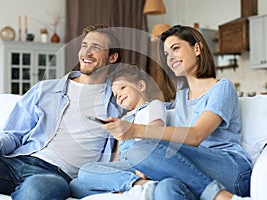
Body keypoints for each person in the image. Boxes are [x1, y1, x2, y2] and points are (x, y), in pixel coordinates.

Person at [0, 24, 123, 200]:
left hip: (55, 176)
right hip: (13, 162)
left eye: (96, 47)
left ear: (112, 57)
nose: (86, 52)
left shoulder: (118, 101)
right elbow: (13, 135)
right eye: (84, 45)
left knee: (37, 191)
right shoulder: (45, 89)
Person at [101, 25, 252, 200]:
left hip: (230, 169)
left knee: (140, 149)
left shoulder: (221, 87)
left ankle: (220, 196)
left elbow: (196, 136)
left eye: (175, 48)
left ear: (197, 48)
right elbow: (150, 105)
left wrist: (135, 130)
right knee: (166, 188)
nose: (170, 57)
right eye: (166, 54)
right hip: (190, 170)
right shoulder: (181, 97)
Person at [69, 64, 168, 198]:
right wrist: (107, 172)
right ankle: (127, 188)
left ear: (141, 86)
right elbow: (117, 155)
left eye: (123, 88)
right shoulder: (123, 119)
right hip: (125, 165)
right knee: (75, 185)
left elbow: (156, 135)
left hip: (141, 163)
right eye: (115, 95)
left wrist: (144, 165)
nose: (119, 95)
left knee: (85, 171)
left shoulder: (153, 106)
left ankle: (140, 184)